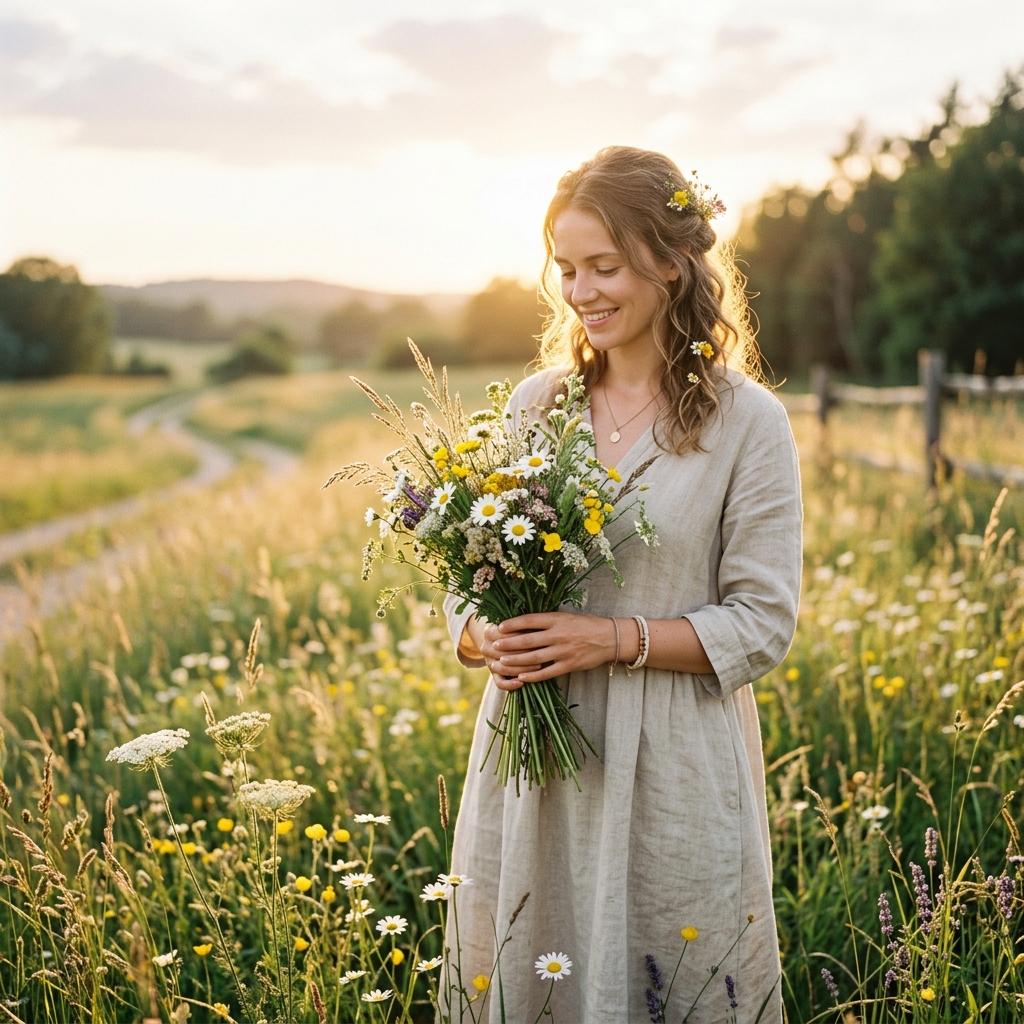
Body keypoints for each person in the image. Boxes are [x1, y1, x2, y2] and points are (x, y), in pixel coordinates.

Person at [443, 146, 802, 1023]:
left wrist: (612, 638)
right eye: (567, 269)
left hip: (672, 764)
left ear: (672, 264)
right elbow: (469, 575)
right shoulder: (537, 405)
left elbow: (763, 623)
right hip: (534, 765)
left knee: (673, 985)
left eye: (604, 266)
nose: (581, 291)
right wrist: (480, 633)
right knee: (531, 980)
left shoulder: (747, 422)